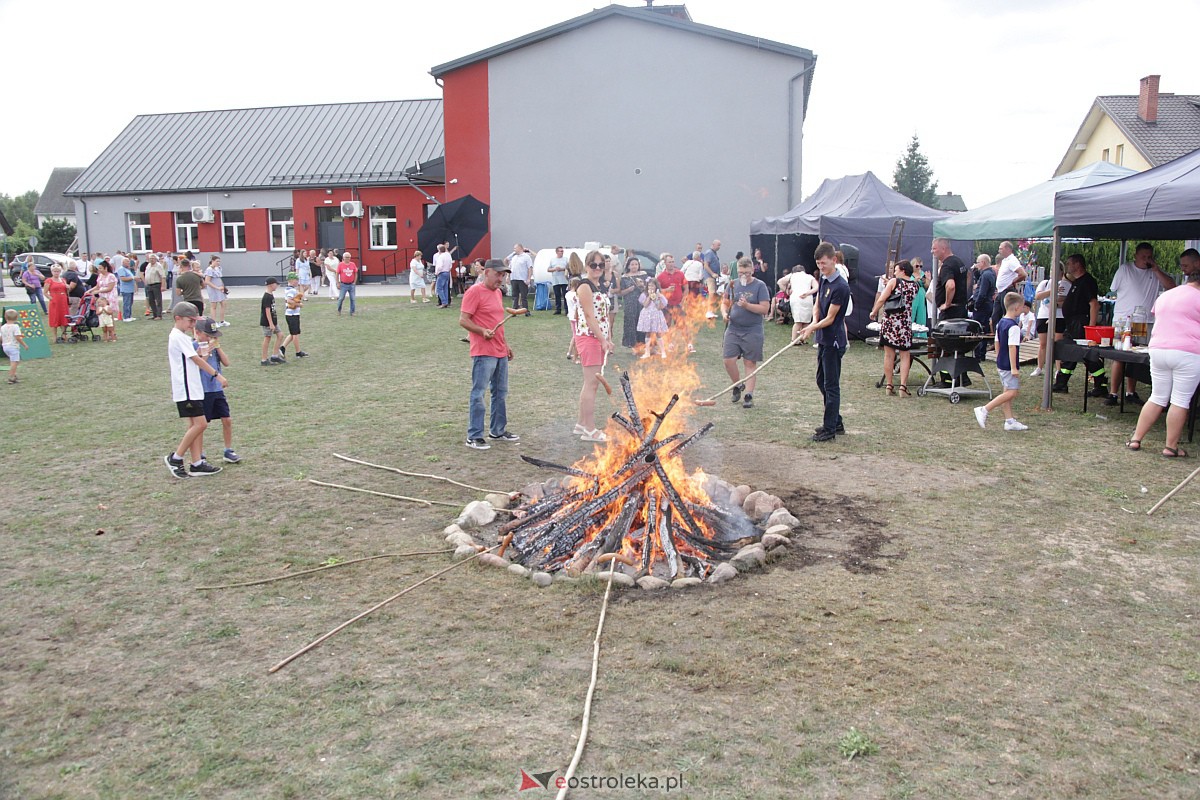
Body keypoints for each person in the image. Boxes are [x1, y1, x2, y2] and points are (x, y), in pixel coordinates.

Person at [1126, 276, 1200, 457]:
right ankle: (1171, 446)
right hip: (1188, 351)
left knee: (1158, 396)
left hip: (1159, 349)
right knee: (1180, 400)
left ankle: (1136, 439)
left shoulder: (1166, 295)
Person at [1105, 242, 1176, 407]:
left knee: (1137, 355)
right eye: (1143, 256)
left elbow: (1172, 286)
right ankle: (1113, 392)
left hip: (1145, 320)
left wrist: (1156, 269)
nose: (1146, 259)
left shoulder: (1155, 272)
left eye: (1149, 256)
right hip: (1124, 319)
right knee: (1120, 355)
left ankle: (1131, 391)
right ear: (1136, 255)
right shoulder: (1126, 269)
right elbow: (1114, 288)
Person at [459, 259, 518, 450]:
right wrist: (481, 331)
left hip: (499, 351)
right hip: (483, 352)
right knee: (478, 393)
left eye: (503, 275)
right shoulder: (474, 292)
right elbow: (463, 320)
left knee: (500, 392)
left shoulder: (498, 293)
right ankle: (474, 435)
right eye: (498, 274)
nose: (501, 278)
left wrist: (506, 345)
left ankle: (497, 431)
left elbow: (497, 321)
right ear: (487, 272)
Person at [164, 302, 227, 478]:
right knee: (201, 424)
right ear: (178, 318)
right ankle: (176, 458)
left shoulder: (181, 337)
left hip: (192, 389)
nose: (193, 325)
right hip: (187, 390)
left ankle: (197, 462)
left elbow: (196, 358)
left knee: (195, 425)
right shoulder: (178, 337)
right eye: (190, 321)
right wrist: (217, 375)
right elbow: (198, 361)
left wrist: (205, 350)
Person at [798, 242, 850, 442]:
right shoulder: (825, 280)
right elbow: (818, 303)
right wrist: (812, 321)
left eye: (824, 263)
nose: (821, 267)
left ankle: (830, 430)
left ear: (834, 260)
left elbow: (830, 318)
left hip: (834, 341)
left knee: (831, 385)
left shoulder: (840, 287)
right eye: (818, 264)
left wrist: (812, 327)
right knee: (821, 380)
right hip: (823, 339)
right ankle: (835, 421)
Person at [573, 251, 614, 442]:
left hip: (598, 338)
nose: (597, 268)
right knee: (592, 383)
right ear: (586, 266)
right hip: (589, 338)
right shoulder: (584, 287)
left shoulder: (600, 286)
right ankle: (589, 428)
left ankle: (581, 424)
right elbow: (589, 317)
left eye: (600, 265)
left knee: (591, 383)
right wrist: (602, 339)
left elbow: (604, 316)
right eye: (593, 265)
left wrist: (608, 337)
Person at [974, 292, 1029, 431]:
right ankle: (984, 409)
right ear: (1016, 308)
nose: (1023, 309)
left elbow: (997, 342)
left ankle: (1009, 421)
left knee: (1007, 391)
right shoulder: (1014, 327)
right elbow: (1012, 347)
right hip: (1009, 364)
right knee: (1012, 392)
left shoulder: (1001, 323)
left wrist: (999, 357)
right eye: (1022, 307)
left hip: (1002, 362)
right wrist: (1014, 367)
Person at [721, 256, 771, 409]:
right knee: (728, 360)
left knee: (750, 362)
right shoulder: (732, 284)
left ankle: (749, 394)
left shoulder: (759, 286)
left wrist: (747, 305)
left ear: (752, 270)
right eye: (741, 272)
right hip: (734, 328)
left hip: (752, 330)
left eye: (747, 273)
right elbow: (725, 302)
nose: (744, 276)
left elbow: (764, 309)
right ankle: (737, 384)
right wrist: (724, 314)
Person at [1054, 254, 1105, 395]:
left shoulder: (1087, 281)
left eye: (1069, 263)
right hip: (1072, 323)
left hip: (1080, 323)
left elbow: (1094, 304)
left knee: (1084, 353)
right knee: (1071, 351)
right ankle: (1061, 382)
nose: (1067, 265)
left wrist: (1091, 328)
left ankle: (1100, 384)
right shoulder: (1077, 281)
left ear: (1077, 264)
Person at [194, 317, 241, 464]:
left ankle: (228, 450)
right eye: (208, 335)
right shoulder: (193, 346)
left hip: (217, 390)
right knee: (202, 424)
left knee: (227, 419)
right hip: (203, 391)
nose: (210, 338)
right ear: (198, 333)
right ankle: (199, 454)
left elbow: (226, 363)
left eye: (213, 336)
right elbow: (199, 364)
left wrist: (217, 347)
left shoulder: (215, 347)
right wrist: (206, 351)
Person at [869, 260, 919, 397]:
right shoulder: (915, 286)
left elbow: (882, 299)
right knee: (905, 355)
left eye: (896, 270)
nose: (894, 272)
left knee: (889, 354)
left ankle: (889, 384)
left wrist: (874, 311)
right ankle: (903, 386)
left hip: (891, 322)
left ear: (902, 270)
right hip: (905, 324)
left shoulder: (894, 282)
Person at [1031, 268, 1069, 377]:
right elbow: (1038, 296)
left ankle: (1058, 370)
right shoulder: (1045, 283)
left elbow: (1065, 301)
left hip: (1059, 316)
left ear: (1061, 272)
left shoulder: (1065, 284)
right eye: (1052, 270)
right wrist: (1052, 290)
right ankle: (1039, 367)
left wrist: (1056, 302)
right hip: (1043, 315)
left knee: (1057, 344)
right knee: (1043, 343)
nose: (1053, 272)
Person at [991, 241, 1027, 333]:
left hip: (1007, 291)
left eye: (1001, 248)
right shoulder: (1005, 261)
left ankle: (1008, 338)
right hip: (1001, 291)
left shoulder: (1012, 260)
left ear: (1008, 249)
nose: (999, 250)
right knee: (995, 317)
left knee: (1007, 315)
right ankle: (997, 339)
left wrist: (1013, 282)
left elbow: (1022, 274)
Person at [932, 238, 968, 321]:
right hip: (961, 309)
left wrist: (947, 304)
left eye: (934, 248)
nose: (932, 251)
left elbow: (951, 286)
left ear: (943, 249)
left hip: (950, 313)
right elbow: (968, 276)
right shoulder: (958, 261)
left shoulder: (947, 266)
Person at [970, 254, 996, 359]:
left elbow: (982, 292)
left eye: (978, 262)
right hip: (988, 304)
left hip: (982, 306)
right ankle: (982, 353)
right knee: (984, 329)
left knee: (978, 329)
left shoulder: (986, 275)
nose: (976, 264)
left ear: (983, 262)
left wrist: (976, 305)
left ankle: (978, 354)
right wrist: (976, 272)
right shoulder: (991, 273)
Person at [784, 265, 817, 344]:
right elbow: (817, 287)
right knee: (806, 321)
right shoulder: (809, 277)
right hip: (807, 299)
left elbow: (780, 282)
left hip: (796, 298)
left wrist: (787, 291)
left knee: (798, 321)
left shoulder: (792, 275)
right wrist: (807, 293)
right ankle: (802, 339)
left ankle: (794, 339)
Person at [637, 277, 668, 358]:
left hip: (656, 314)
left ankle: (663, 351)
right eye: (649, 286)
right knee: (648, 333)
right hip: (647, 314)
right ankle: (647, 352)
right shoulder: (644, 295)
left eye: (653, 286)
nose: (651, 287)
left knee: (658, 333)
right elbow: (645, 305)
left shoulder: (660, 295)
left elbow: (659, 307)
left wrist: (656, 298)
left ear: (656, 287)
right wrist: (649, 297)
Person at [280, 272, 308, 358]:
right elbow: (289, 300)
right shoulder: (291, 290)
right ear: (291, 280)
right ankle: (298, 352)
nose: (297, 281)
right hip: (292, 315)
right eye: (296, 280)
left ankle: (282, 348)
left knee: (293, 334)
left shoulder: (290, 289)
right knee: (295, 334)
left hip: (292, 314)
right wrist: (299, 305)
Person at [260, 277, 285, 366]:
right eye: (276, 284)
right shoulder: (267, 296)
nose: (277, 286)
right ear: (270, 285)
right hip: (267, 322)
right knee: (267, 338)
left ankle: (274, 356)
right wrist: (270, 323)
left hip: (273, 321)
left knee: (280, 335)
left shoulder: (271, 295)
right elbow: (267, 311)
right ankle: (264, 359)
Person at [656, 253, 686, 327]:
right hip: (666, 305)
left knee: (680, 325)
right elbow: (657, 291)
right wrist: (666, 290)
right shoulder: (660, 277)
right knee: (666, 325)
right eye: (669, 262)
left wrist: (683, 301)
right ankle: (666, 338)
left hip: (678, 304)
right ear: (665, 263)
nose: (671, 264)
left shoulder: (680, 274)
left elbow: (686, 288)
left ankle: (678, 338)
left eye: (673, 262)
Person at [2, 308, 28, 384]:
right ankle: (11, 377)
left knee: (14, 361)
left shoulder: (3, 327)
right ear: (16, 318)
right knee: (15, 362)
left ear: (5, 317)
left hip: (5, 346)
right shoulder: (15, 326)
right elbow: (17, 337)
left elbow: (1, 337)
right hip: (13, 346)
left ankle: (14, 375)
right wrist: (24, 345)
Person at [506, 243, 533, 314]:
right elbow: (510, 267)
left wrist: (528, 279)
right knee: (515, 296)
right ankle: (514, 311)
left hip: (522, 279)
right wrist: (508, 277)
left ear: (520, 248)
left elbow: (530, 268)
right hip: (514, 278)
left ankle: (526, 311)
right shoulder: (514, 257)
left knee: (523, 296)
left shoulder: (526, 257)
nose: (514, 250)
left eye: (515, 248)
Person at [45, 265, 69, 342]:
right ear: (52, 272)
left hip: (63, 301)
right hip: (54, 301)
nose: (56, 273)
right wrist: (51, 298)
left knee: (64, 318)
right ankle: (54, 337)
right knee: (55, 318)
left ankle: (64, 335)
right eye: (55, 271)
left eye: (58, 271)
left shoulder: (63, 280)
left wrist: (68, 288)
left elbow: (67, 290)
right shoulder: (49, 280)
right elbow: (45, 292)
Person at [701, 240, 722, 318]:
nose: (719, 247)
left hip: (714, 277)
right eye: (718, 245)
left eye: (720, 245)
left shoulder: (714, 253)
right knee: (711, 293)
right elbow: (706, 265)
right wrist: (712, 273)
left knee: (714, 294)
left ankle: (711, 311)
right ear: (713, 244)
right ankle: (708, 311)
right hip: (709, 276)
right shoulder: (709, 253)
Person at [547, 246, 569, 314]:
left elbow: (568, 268)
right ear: (557, 252)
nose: (562, 252)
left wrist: (562, 269)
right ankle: (558, 309)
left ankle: (566, 309)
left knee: (565, 295)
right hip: (556, 280)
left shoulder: (565, 259)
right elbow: (548, 269)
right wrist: (555, 269)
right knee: (557, 295)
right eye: (560, 251)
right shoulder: (552, 260)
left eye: (562, 251)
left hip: (564, 280)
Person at [433, 242, 456, 308]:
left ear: (439, 250)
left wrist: (437, 272)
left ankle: (443, 302)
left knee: (439, 288)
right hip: (447, 272)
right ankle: (446, 302)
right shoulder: (448, 255)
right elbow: (450, 264)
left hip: (441, 272)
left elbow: (440, 266)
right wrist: (448, 269)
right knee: (446, 288)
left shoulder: (440, 257)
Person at [565, 276, 582, 363]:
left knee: (575, 336)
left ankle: (569, 352)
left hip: (571, 316)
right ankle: (576, 356)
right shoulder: (575, 295)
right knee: (577, 337)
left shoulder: (567, 294)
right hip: (576, 318)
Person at [115, 257, 137, 323]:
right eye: (127, 261)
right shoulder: (121, 269)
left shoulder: (127, 269)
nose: (128, 262)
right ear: (123, 262)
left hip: (130, 289)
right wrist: (132, 277)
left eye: (128, 261)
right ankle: (126, 317)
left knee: (130, 303)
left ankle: (129, 316)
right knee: (126, 303)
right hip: (126, 289)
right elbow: (123, 279)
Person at [144, 254, 166, 320]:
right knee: (151, 300)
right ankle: (154, 314)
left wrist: (163, 286)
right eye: (150, 258)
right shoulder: (148, 265)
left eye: (153, 258)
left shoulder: (158, 266)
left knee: (158, 300)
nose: (151, 259)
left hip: (156, 284)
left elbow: (163, 276)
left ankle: (159, 315)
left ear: (156, 259)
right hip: (149, 285)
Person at [336, 251, 358, 315]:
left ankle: (352, 312)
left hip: (351, 284)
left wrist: (354, 282)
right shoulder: (340, 265)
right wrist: (337, 283)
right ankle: (339, 310)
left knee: (353, 299)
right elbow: (337, 274)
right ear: (343, 258)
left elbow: (355, 273)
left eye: (349, 257)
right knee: (341, 298)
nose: (347, 259)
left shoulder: (353, 264)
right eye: (346, 257)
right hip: (343, 284)